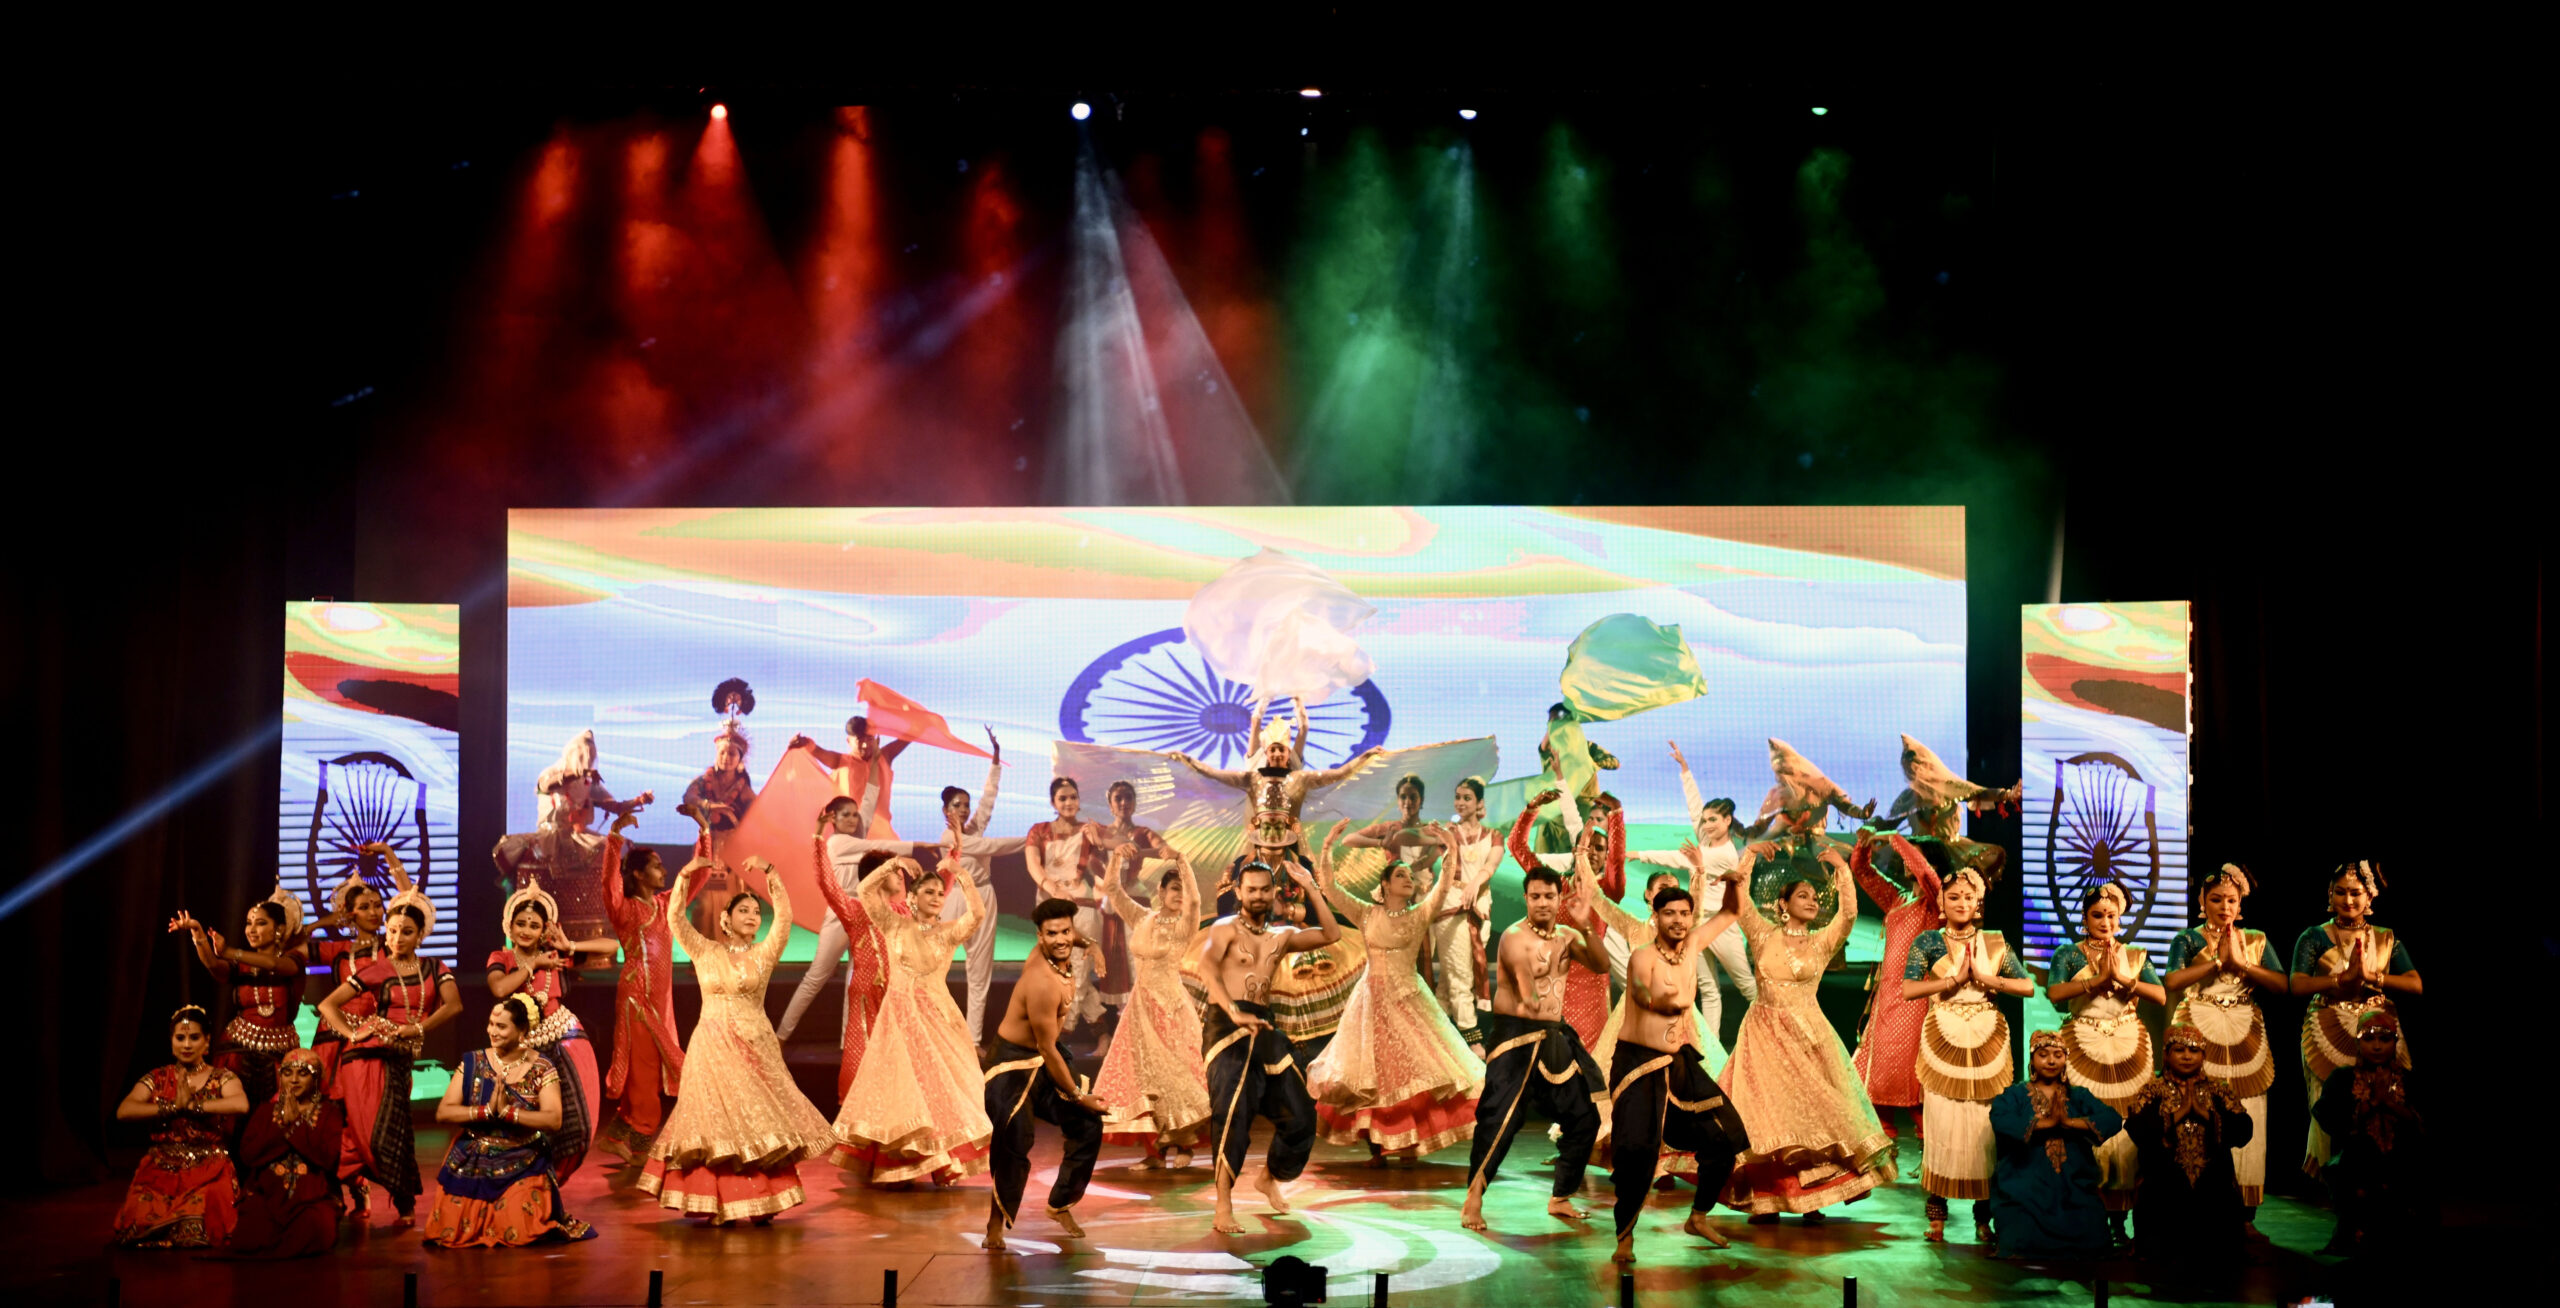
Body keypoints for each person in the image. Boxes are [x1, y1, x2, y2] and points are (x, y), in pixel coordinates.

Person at [641, 857, 834, 1222]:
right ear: (724, 920)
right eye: (742, 910)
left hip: (753, 1045)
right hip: (711, 1045)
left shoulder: (764, 954)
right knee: (714, 1123)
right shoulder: (705, 951)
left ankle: (761, 1198)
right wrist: (684, 874)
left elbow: (785, 920)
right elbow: (675, 920)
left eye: (755, 912)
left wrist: (773, 875)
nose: (751, 916)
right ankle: (714, 1200)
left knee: (755, 1122)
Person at [1719, 843, 1898, 1220]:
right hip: (1763, 1035)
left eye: (1816, 897)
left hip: (1807, 1035)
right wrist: (1749, 853)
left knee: (1813, 1118)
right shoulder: (1762, 934)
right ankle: (1766, 1198)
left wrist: (1842, 870)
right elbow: (1739, 898)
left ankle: (1811, 1197)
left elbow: (1848, 914)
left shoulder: (1821, 942)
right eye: (1803, 895)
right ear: (1783, 904)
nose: (1812, 901)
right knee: (1768, 1117)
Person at [1306, 823, 1484, 1163]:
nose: (1408, 879)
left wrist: (1450, 848)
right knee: (1373, 1078)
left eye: (1410, 876)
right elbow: (1329, 886)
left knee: (1413, 1076)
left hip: (1409, 1000)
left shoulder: (1419, 915)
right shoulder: (1366, 913)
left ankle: (1409, 1142)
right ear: (1384, 885)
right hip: (1371, 1002)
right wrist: (1327, 843)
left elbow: (1444, 884)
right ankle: (1376, 1146)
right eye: (1400, 875)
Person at [1459, 863, 1611, 1234]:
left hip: (1551, 1036)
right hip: (1516, 1036)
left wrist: (1586, 924)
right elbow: (1526, 991)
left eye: (1549, 896)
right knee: (1501, 1120)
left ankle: (1561, 1197)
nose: (1542, 902)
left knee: (1585, 1117)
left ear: (1559, 899)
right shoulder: (1514, 938)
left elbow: (1601, 965)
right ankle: (1473, 1196)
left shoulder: (1567, 935)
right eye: (1535, 896)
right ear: (1526, 899)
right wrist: (1532, 1001)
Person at [829, 849, 996, 1185]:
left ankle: (943, 1161)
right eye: (928, 892)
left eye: (940, 893)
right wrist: (894, 864)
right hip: (900, 1017)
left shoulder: (947, 933)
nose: (936, 898)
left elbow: (977, 914)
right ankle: (898, 1162)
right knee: (903, 1092)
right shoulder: (894, 924)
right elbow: (864, 892)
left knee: (940, 1088)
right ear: (913, 897)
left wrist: (960, 874)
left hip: (938, 1016)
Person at [1604, 878, 1746, 1265]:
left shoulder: (1693, 946)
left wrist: (1737, 880)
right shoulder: (1642, 956)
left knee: (1725, 1136)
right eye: (1670, 913)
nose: (1679, 920)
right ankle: (1624, 1236)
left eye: (1685, 913)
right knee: (1636, 1152)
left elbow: (1732, 911)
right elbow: (1641, 994)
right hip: (1637, 1064)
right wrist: (1672, 1000)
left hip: (1677, 1062)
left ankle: (1698, 1216)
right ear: (1656, 916)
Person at [1199, 859, 1341, 1234]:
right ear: (1239, 892)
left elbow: (1331, 935)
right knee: (1233, 1113)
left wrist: (1311, 886)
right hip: (1225, 1026)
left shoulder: (1282, 935)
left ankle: (1270, 1176)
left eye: (1265, 889)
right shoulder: (1225, 928)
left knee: (1301, 1113)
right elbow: (1207, 968)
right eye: (1252, 890)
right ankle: (1224, 1205)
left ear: (1274, 893)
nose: (1258, 896)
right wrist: (1232, 1010)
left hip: (1263, 1026)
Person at [1902, 861, 2034, 1243]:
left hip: (1986, 1034)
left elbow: (2026, 987)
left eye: (1969, 897)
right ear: (1942, 901)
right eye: (1953, 896)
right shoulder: (1927, 941)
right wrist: (1953, 981)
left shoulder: (1994, 942)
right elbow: (1908, 989)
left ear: (1979, 904)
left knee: (1983, 1127)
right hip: (1943, 1032)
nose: (1961, 903)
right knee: (1941, 1123)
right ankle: (1937, 1217)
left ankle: (1983, 1218)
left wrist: (1986, 979)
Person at [316, 887, 464, 1226]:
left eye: (406, 932)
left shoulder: (433, 966)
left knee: (396, 1129)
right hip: (366, 1057)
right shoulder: (376, 970)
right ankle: (397, 1201)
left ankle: (399, 1200)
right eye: (392, 930)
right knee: (376, 1131)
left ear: (420, 935)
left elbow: (454, 1005)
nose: (396, 938)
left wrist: (420, 1028)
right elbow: (328, 1005)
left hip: (400, 1058)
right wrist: (353, 1034)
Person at [419, 995, 598, 1248]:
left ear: (522, 1031)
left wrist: (509, 1113)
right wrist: (486, 1112)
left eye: (501, 1026)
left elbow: (553, 1119)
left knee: (521, 1229)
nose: (492, 1031)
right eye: (491, 1024)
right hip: (474, 1159)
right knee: (449, 1232)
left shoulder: (541, 1066)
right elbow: (444, 1112)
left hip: (523, 1159)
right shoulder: (474, 1061)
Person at [983, 898, 1111, 1251]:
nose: (1061, 939)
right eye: (1051, 934)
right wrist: (1076, 1095)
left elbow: (1077, 936)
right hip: (1011, 1065)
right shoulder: (1040, 980)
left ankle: (1059, 1204)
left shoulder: (1067, 951)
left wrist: (1093, 944)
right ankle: (995, 1223)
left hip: (1044, 1058)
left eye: (1066, 931)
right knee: (1014, 1139)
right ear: (1039, 937)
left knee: (1087, 1125)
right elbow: (1048, 1049)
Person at [2163, 862, 2283, 1230]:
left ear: (2240, 903)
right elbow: (2172, 981)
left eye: (2231, 899)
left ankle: (2246, 1215)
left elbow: (2282, 985)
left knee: (2249, 1114)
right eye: (2216, 899)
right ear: (2202, 901)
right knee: (2200, 1111)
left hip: (2244, 1031)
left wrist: (2241, 965)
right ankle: (2196, 1205)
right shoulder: (2187, 940)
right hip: (2199, 1029)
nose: (2224, 906)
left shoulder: (2257, 940)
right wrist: (2217, 963)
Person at [2044, 880, 2166, 1237]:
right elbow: (2054, 994)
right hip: (2083, 1043)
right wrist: (2096, 981)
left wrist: (2122, 980)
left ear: (2120, 918)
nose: (2105, 921)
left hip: (2127, 1045)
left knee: (2125, 1131)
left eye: (2112, 915)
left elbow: (2158, 994)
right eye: (2098, 915)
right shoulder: (2067, 954)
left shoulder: (2136, 954)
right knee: (2086, 1125)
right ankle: (2083, 1214)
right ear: (2085, 918)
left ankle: (2117, 1221)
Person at [2292, 860, 2419, 1181]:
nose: (2348, 900)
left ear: (2370, 898)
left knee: (2386, 1094)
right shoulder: (2314, 936)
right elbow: (2298, 984)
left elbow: (2415, 983)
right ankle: (2331, 1180)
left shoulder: (2386, 937)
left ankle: (2383, 1169)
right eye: (2341, 892)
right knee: (2331, 1101)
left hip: (2377, 1024)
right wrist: (2341, 980)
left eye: (2356, 893)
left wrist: (2371, 976)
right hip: (2327, 1024)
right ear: (2330, 895)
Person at [485, 875, 613, 1184]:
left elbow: (611, 946)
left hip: (563, 1040)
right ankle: (521, 1188)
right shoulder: (501, 957)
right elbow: (499, 987)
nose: (526, 930)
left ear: (544, 930)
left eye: (534, 925)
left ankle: (548, 1184)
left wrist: (570, 944)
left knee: (577, 1123)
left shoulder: (555, 957)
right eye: (521, 923)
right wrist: (532, 966)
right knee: (519, 1126)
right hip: (518, 1048)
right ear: (510, 926)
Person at [1092, 844, 1213, 1168]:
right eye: (1174, 889)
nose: (1180, 895)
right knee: (1145, 1079)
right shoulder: (1142, 917)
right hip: (1140, 1008)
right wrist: (1117, 857)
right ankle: (1155, 1151)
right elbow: (1114, 891)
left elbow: (1197, 901)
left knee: (1177, 1076)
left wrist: (1182, 860)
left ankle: (1185, 1146)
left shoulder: (1186, 923)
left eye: (1183, 891)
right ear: (1160, 891)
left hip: (1171, 1007)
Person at [1170, 699, 1385, 873]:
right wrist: (1190, 761)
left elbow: (1338, 774)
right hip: (1258, 843)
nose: (1276, 754)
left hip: (1293, 845)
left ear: (1287, 754)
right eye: (1272, 750)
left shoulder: (1300, 778)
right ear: (1266, 753)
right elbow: (1215, 774)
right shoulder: (1252, 779)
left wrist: (1364, 757)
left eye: (1281, 750)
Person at [111, 1006, 247, 1248]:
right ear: (171, 1041)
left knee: (203, 1213)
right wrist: (173, 1107)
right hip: (161, 1168)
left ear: (207, 1041)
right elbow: (125, 1110)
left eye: (194, 1038)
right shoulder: (157, 1077)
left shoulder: (222, 1077)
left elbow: (240, 1104)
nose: (186, 1044)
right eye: (180, 1037)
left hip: (210, 1167)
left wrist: (194, 1106)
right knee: (140, 1215)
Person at [775, 788, 886, 1080]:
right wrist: (914, 848)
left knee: (857, 980)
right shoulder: (836, 842)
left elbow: (870, 804)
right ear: (832, 819)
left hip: (864, 914)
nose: (852, 819)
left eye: (854, 815)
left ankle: (850, 1045)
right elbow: (881, 845)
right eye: (845, 815)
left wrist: (875, 764)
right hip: (840, 913)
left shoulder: (857, 842)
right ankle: (780, 1037)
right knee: (816, 976)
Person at [167, 884, 309, 1114]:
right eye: (248, 923)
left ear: (280, 929)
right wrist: (198, 933)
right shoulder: (240, 967)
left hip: (280, 1055)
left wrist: (230, 951)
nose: (251, 929)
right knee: (234, 1116)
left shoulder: (294, 961)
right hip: (237, 1052)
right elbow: (214, 965)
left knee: (275, 1117)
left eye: (261, 923)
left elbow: (273, 964)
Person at [2123, 1024, 2254, 1271]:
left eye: (2194, 1050)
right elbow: (2136, 1129)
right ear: (2166, 1054)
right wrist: (2176, 1117)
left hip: (2212, 1183)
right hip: (2164, 1183)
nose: (2186, 1056)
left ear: (2204, 1056)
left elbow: (2244, 1130)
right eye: (2179, 1050)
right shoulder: (2153, 1090)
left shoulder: (2219, 1090)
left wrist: (2208, 1117)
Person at [1986, 1030, 2122, 1259]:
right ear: (2032, 1060)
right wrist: (2046, 1124)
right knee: (2021, 1237)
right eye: (2043, 1054)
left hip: (2073, 1186)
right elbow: (2001, 1120)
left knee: (2094, 1236)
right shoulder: (2015, 1095)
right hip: (2025, 1185)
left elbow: (2113, 1119)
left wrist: (2069, 1123)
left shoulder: (2078, 1095)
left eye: (2058, 1055)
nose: (2051, 1061)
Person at [597, 825, 689, 1160]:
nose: (664, 870)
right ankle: (641, 1145)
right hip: (636, 999)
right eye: (656, 865)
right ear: (637, 873)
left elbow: (697, 879)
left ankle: (619, 1135)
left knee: (642, 1071)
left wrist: (704, 828)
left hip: (659, 1002)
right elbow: (609, 884)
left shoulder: (666, 905)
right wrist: (614, 839)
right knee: (645, 1073)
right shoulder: (626, 910)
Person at [1506, 788, 1622, 1052]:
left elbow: (1617, 861)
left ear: (1606, 855)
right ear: (1576, 848)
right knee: (1551, 1055)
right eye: (1588, 845)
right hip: (1551, 979)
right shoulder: (1556, 886)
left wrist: (1616, 814)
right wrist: (1532, 808)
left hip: (1591, 982)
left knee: (1590, 1056)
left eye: (1600, 848)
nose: (1593, 852)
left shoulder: (1607, 890)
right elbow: (1516, 847)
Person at [2311, 1009, 2431, 1257]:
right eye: (2369, 1039)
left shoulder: (2409, 1080)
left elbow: (2423, 1124)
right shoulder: (2342, 1079)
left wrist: (2391, 1106)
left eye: (2384, 1040)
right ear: (2358, 1042)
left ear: (2395, 1043)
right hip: (2358, 1160)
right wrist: (2368, 1107)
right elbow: (2327, 1116)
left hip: (2402, 1160)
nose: (2377, 1046)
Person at [217, 1047, 342, 1259]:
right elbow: (248, 1155)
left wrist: (293, 1127)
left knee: (315, 1230)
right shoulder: (265, 1111)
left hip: (311, 1199)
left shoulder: (329, 1113)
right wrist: (283, 1125)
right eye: (287, 1073)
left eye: (302, 1074)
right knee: (249, 1234)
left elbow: (328, 1158)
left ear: (316, 1078)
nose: (294, 1080)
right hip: (267, 1196)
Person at [1024, 776, 1117, 1052]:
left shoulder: (1088, 830)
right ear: (1053, 802)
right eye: (1062, 798)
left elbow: (1120, 845)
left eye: (1073, 797)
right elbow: (1033, 865)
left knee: (1072, 972)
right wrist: (1053, 888)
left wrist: (1099, 841)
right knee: (1072, 976)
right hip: (1051, 910)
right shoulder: (1039, 830)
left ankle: (1059, 1037)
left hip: (1082, 908)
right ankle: (1103, 1036)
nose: (1068, 802)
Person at [935, 732, 1011, 1043]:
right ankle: (935, 1030)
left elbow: (988, 798)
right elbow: (987, 845)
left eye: (966, 805)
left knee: (979, 973)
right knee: (936, 967)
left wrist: (995, 758)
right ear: (946, 810)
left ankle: (973, 1039)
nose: (965, 810)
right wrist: (1031, 840)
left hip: (983, 896)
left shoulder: (974, 827)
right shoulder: (947, 838)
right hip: (954, 899)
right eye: (957, 805)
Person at [1425, 776, 1503, 1055]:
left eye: (1467, 797)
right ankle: (1473, 1040)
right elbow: (1427, 860)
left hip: (1480, 907)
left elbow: (1491, 864)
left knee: (1450, 978)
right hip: (1451, 907)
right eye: (1458, 797)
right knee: (1459, 975)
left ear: (1479, 802)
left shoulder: (1493, 836)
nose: (1460, 802)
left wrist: (1475, 884)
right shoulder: (1448, 832)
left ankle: (1436, 1036)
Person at [791, 714, 911, 838]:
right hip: (850, 835)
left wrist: (917, 719)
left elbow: (910, 735)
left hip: (882, 836)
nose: (865, 745)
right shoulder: (840, 761)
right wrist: (804, 742)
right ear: (849, 741)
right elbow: (816, 750)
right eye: (859, 740)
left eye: (869, 739)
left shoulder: (884, 757)